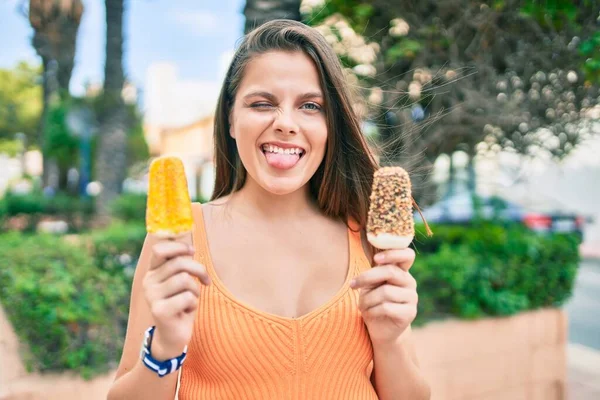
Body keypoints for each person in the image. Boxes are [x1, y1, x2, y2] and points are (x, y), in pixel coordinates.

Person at [107, 19, 430, 400]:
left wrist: (390, 340)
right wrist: (164, 348)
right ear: (230, 118)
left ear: (331, 124)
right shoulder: (180, 242)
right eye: (263, 104)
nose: (286, 124)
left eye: (310, 106)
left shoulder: (368, 240)